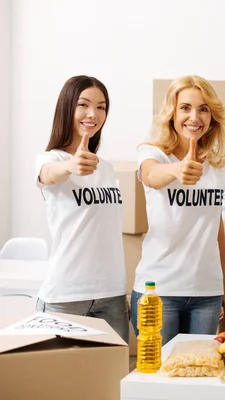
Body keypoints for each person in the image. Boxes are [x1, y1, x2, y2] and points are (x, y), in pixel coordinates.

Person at [131, 75, 225, 345]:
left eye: (203, 109)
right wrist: (178, 170)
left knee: (199, 376)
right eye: (185, 107)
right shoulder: (153, 154)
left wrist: (223, 289)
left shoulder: (217, 167)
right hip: (159, 292)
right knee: (158, 377)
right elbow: (151, 175)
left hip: (206, 294)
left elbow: (216, 229)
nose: (194, 117)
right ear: (171, 114)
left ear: (212, 117)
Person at [35, 75, 129, 343]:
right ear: (67, 108)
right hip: (65, 296)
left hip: (112, 295)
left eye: (101, 107)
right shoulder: (50, 159)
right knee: (58, 382)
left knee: (111, 381)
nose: (93, 114)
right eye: (84, 105)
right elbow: (47, 175)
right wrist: (69, 166)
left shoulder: (107, 168)